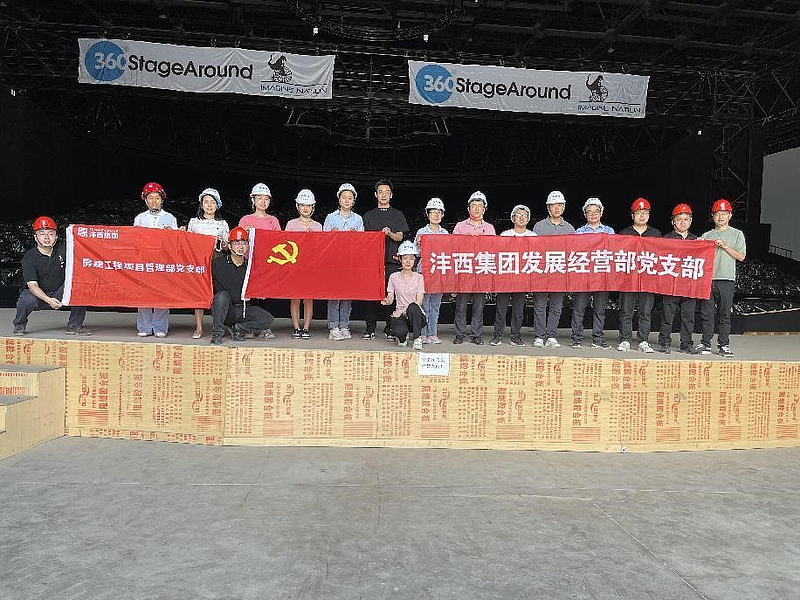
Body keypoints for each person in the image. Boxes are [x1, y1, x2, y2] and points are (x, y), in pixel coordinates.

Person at [12, 216, 91, 336]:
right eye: (42, 234)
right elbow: (32, 285)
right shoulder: (30, 257)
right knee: (26, 299)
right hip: (37, 295)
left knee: (80, 288)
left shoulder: (64, 250)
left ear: (56, 236)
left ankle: (75, 326)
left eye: (50, 234)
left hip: (59, 292)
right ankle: (19, 325)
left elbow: (84, 247)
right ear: (35, 237)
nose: (47, 237)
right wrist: (48, 300)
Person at [696, 199, 746, 357]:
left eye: (724, 214)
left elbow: (741, 256)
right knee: (706, 314)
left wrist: (724, 246)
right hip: (708, 280)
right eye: (717, 214)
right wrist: (697, 244)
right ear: (713, 216)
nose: (720, 217)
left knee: (724, 314)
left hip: (726, 280)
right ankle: (705, 343)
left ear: (730, 215)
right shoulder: (707, 235)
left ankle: (724, 345)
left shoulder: (737, 234)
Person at [210, 227, 275, 345]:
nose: (241, 247)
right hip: (226, 310)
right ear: (229, 246)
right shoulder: (217, 264)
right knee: (221, 296)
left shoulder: (250, 267)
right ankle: (217, 334)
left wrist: (259, 293)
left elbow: (259, 288)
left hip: (244, 309)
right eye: (236, 243)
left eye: (244, 243)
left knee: (268, 319)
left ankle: (237, 328)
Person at [362, 179, 409, 341]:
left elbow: (400, 236)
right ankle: (370, 328)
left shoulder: (397, 214)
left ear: (391, 195)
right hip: (372, 262)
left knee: (391, 295)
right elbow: (363, 239)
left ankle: (390, 328)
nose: (383, 195)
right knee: (371, 295)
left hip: (392, 261)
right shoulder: (368, 215)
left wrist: (390, 233)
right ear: (376, 194)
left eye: (386, 192)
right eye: (380, 192)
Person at [616, 197, 662, 353]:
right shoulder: (624, 233)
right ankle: (625, 340)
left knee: (645, 312)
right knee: (626, 311)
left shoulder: (656, 234)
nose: (642, 215)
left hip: (648, 280)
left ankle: (643, 340)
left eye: (645, 212)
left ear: (649, 215)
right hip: (628, 280)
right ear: (632, 215)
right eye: (638, 212)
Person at [532, 190, 576, 349]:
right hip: (542, 273)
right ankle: (539, 336)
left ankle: (551, 335)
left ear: (563, 207)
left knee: (556, 307)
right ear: (548, 207)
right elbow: (533, 250)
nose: (557, 208)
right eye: (553, 205)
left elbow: (573, 252)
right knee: (540, 306)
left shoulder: (569, 228)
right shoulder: (539, 226)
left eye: (559, 205)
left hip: (559, 273)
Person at [134, 182, 177, 338]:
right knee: (144, 293)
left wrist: (171, 233)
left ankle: (160, 327)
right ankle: (144, 326)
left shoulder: (170, 218)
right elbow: (134, 240)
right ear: (145, 200)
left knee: (162, 294)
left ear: (162, 200)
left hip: (163, 262)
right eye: (150, 198)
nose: (154, 201)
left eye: (157, 198)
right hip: (144, 262)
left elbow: (176, 242)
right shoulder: (140, 218)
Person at [452, 191, 496, 345]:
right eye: (474, 205)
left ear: (484, 208)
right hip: (464, 271)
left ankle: (476, 334)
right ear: (468, 208)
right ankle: (459, 334)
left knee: (479, 306)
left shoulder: (489, 228)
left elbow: (493, 249)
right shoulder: (460, 226)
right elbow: (453, 246)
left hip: (481, 271)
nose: (477, 208)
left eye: (480, 205)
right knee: (461, 305)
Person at [186, 187, 230, 339]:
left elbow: (227, 247)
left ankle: (218, 325)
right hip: (198, 261)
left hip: (217, 259)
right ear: (201, 204)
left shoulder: (223, 223)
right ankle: (199, 327)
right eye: (206, 202)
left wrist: (223, 243)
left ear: (218, 205)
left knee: (218, 292)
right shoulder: (194, 222)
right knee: (199, 291)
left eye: (213, 202)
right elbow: (187, 243)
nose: (209, 205)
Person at [571, 197, 614, 350]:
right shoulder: (578, 232)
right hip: (583, 276)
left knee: (599, 310)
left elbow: (613, 252)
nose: (593, 214)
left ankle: (598, 339)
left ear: (601, 213)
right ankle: (576, 339)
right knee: (579, 309)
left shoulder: (609, 232)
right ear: (585, 214)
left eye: (596, 211)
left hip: (602, 276)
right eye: (589, 212)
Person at [490, 204, 535, 347]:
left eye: (524, 215)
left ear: (528, 219)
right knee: (501, 308)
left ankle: (516, 336)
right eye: (518, 215)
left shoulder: (533, 236)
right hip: (505, 278)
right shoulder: (505, 235)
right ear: (513, 218)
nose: (521, 218)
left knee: (518, 310)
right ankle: (497, 336)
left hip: (522, 279)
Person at [658, 203, 700, 354]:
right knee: (667, 315)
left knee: (688, 316)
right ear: (673, 221)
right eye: (679, 219)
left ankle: (686, 344)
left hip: (689, 284)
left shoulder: (697, 241)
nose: (683, 222)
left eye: (686, 219)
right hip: (671, 283)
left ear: (690, 221)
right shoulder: (665, 239)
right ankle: (664, 342)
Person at [324, 183, 364, 341]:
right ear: (339, 199)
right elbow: (323, 241)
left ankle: (345, 325)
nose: (347, 200)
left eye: (350, 198)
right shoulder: (330, 217)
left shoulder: (358, 219)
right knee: (334, 295)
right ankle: (333, 326)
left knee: (347, 295)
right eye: (344, 197)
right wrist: (331, 235)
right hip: (334, 263)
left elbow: (362, 243)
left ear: (354, 201)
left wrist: (356, 237)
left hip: (350, 262)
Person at [285, 189, 322, 339]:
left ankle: (306, 328)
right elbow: (286, 244)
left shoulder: (318, 226)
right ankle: (296, 327)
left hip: (310, 267)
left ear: (313, 207)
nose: (305, 208)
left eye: (308, 205)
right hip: (294, 266)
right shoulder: (291, 224)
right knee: (295, 298)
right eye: (302, 205)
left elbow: (321, 248)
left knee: (308, 298)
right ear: (297, 206)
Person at [413, 198, 449, 344]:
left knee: (435, 305)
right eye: (433, 212)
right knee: (424, 304)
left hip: (439, 272)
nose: (436, 215)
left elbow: (448, 253)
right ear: (428, 214)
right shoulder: (421, 232)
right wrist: (418, 244)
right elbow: (416, 253)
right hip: (425, 272)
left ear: (442, 215)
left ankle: (433, 333)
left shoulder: (445, 233)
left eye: (439, 212)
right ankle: (423, 333)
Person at [383, 241, 427, 351]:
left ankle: (417, 338)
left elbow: (419, 301)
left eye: (411, 258)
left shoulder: (419, 277)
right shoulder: (393, 277)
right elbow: (390, 297)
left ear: (415, 260)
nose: (408, 261)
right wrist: (387, 301)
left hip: (415, 315)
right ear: (400, 259)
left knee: (413, 307)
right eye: (405, 258)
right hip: (400, 314)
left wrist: (406, 311)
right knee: (399, 336)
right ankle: (403, 336)